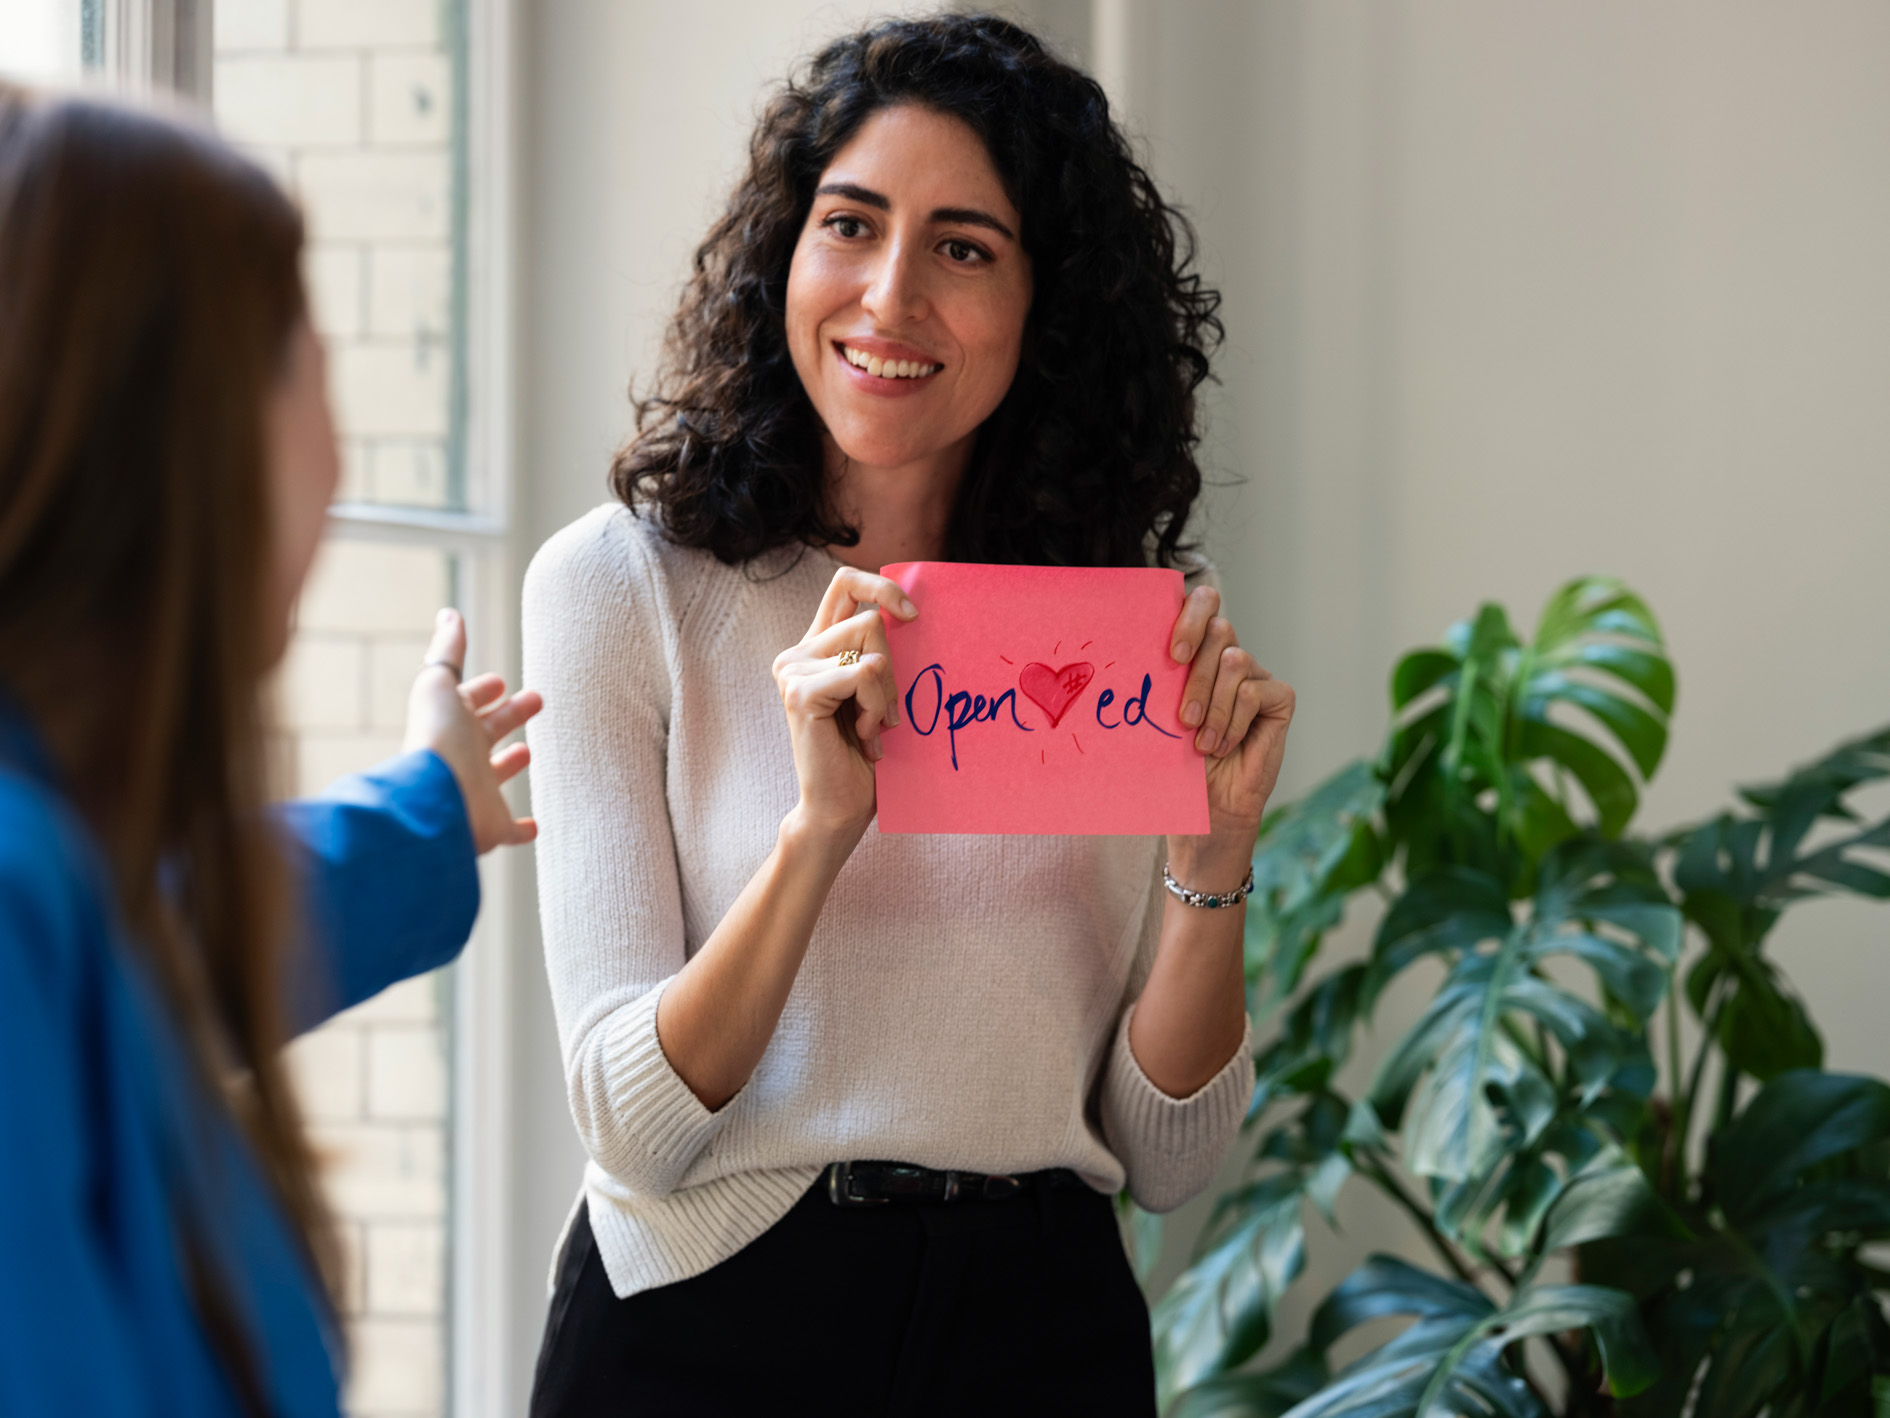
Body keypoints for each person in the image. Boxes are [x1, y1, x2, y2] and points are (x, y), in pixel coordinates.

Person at [524, 15, 1294, 1414]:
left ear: (1047, 304)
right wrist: (817, 833)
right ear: (786, 252)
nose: (889, 297)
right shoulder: (620, 588)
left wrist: (1216, 857)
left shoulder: (1119, 625)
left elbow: (1169, 1159)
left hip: (1040, 1328)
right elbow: (631, 1126)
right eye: (850, 224)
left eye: (964, 248)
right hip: (708, 1318)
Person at [0, 85, 540, 1416]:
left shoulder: (61, 856)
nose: (339, 455)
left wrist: (429, 803)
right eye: (308, 357)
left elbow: (176, 923)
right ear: (178, 435)